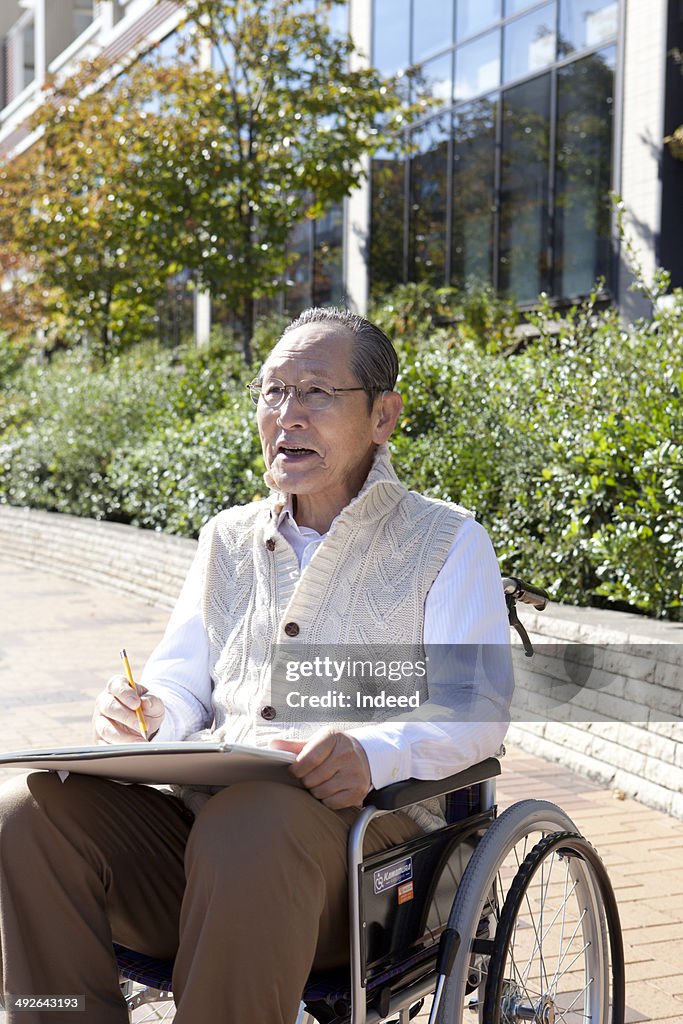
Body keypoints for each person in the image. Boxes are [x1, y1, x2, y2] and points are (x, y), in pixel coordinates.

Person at [0, 307, 513, 1024]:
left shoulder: (446, 542)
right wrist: (146, 709)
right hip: (207, 850)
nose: (287, 414)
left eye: (315, 393)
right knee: (29, 813)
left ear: (382, 416)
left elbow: (474, 712)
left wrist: (371, 751)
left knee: (253, 820)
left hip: (366, 867)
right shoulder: (227, 538)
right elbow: (178, 683)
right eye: (272, 392)